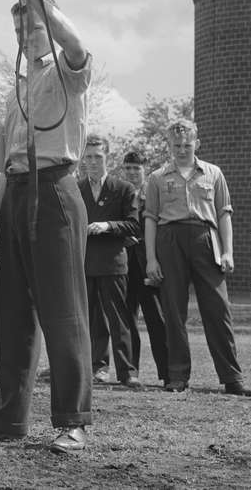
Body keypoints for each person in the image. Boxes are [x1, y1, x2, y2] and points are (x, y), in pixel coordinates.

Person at [0, 0, 93, 453]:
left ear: (48, 26)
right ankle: (7, 419)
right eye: (19, 31)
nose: (26, 37)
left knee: (63, 310)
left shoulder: (67, 71)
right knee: (12, 312)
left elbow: (73, 41)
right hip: (15, 193)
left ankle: (73, 420)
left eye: (33, 28)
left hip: (54, 191)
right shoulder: (19, 91)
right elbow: (7, 164)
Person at [144, 119, 250, 395]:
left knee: (218, 308)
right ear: (169, 146)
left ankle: (231, 377)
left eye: (187, 145)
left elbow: (224, 213)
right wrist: (151, 260)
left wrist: (228, 251)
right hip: (170, 241)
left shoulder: (213, 173)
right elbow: (151, 219)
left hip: (206, 239)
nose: (182, 150)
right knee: (174, 311)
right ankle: (177, 375)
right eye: (176, 145)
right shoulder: (156, 178)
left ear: (197, 144)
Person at [78, 135, 140, 388]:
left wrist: (108, 225)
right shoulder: (75, 189)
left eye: (98, 157)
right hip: (84, 263)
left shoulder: (123, 188)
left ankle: (128, 372)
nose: (93, 162)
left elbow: (134, 224)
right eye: (89, 157)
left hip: (113, 263)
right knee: (92, 319)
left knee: (118, 319)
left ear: (108, 158)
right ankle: (97, 367)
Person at [121, 150, 168, 386]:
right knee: (127, 319)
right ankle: (130, 372)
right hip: (123, 265)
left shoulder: (154, 193)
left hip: (148, 263)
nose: (131, 172)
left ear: (144, 171)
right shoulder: (119, 194)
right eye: (127, 168)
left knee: (156, 318)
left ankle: (168, 373)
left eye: (136, 168)